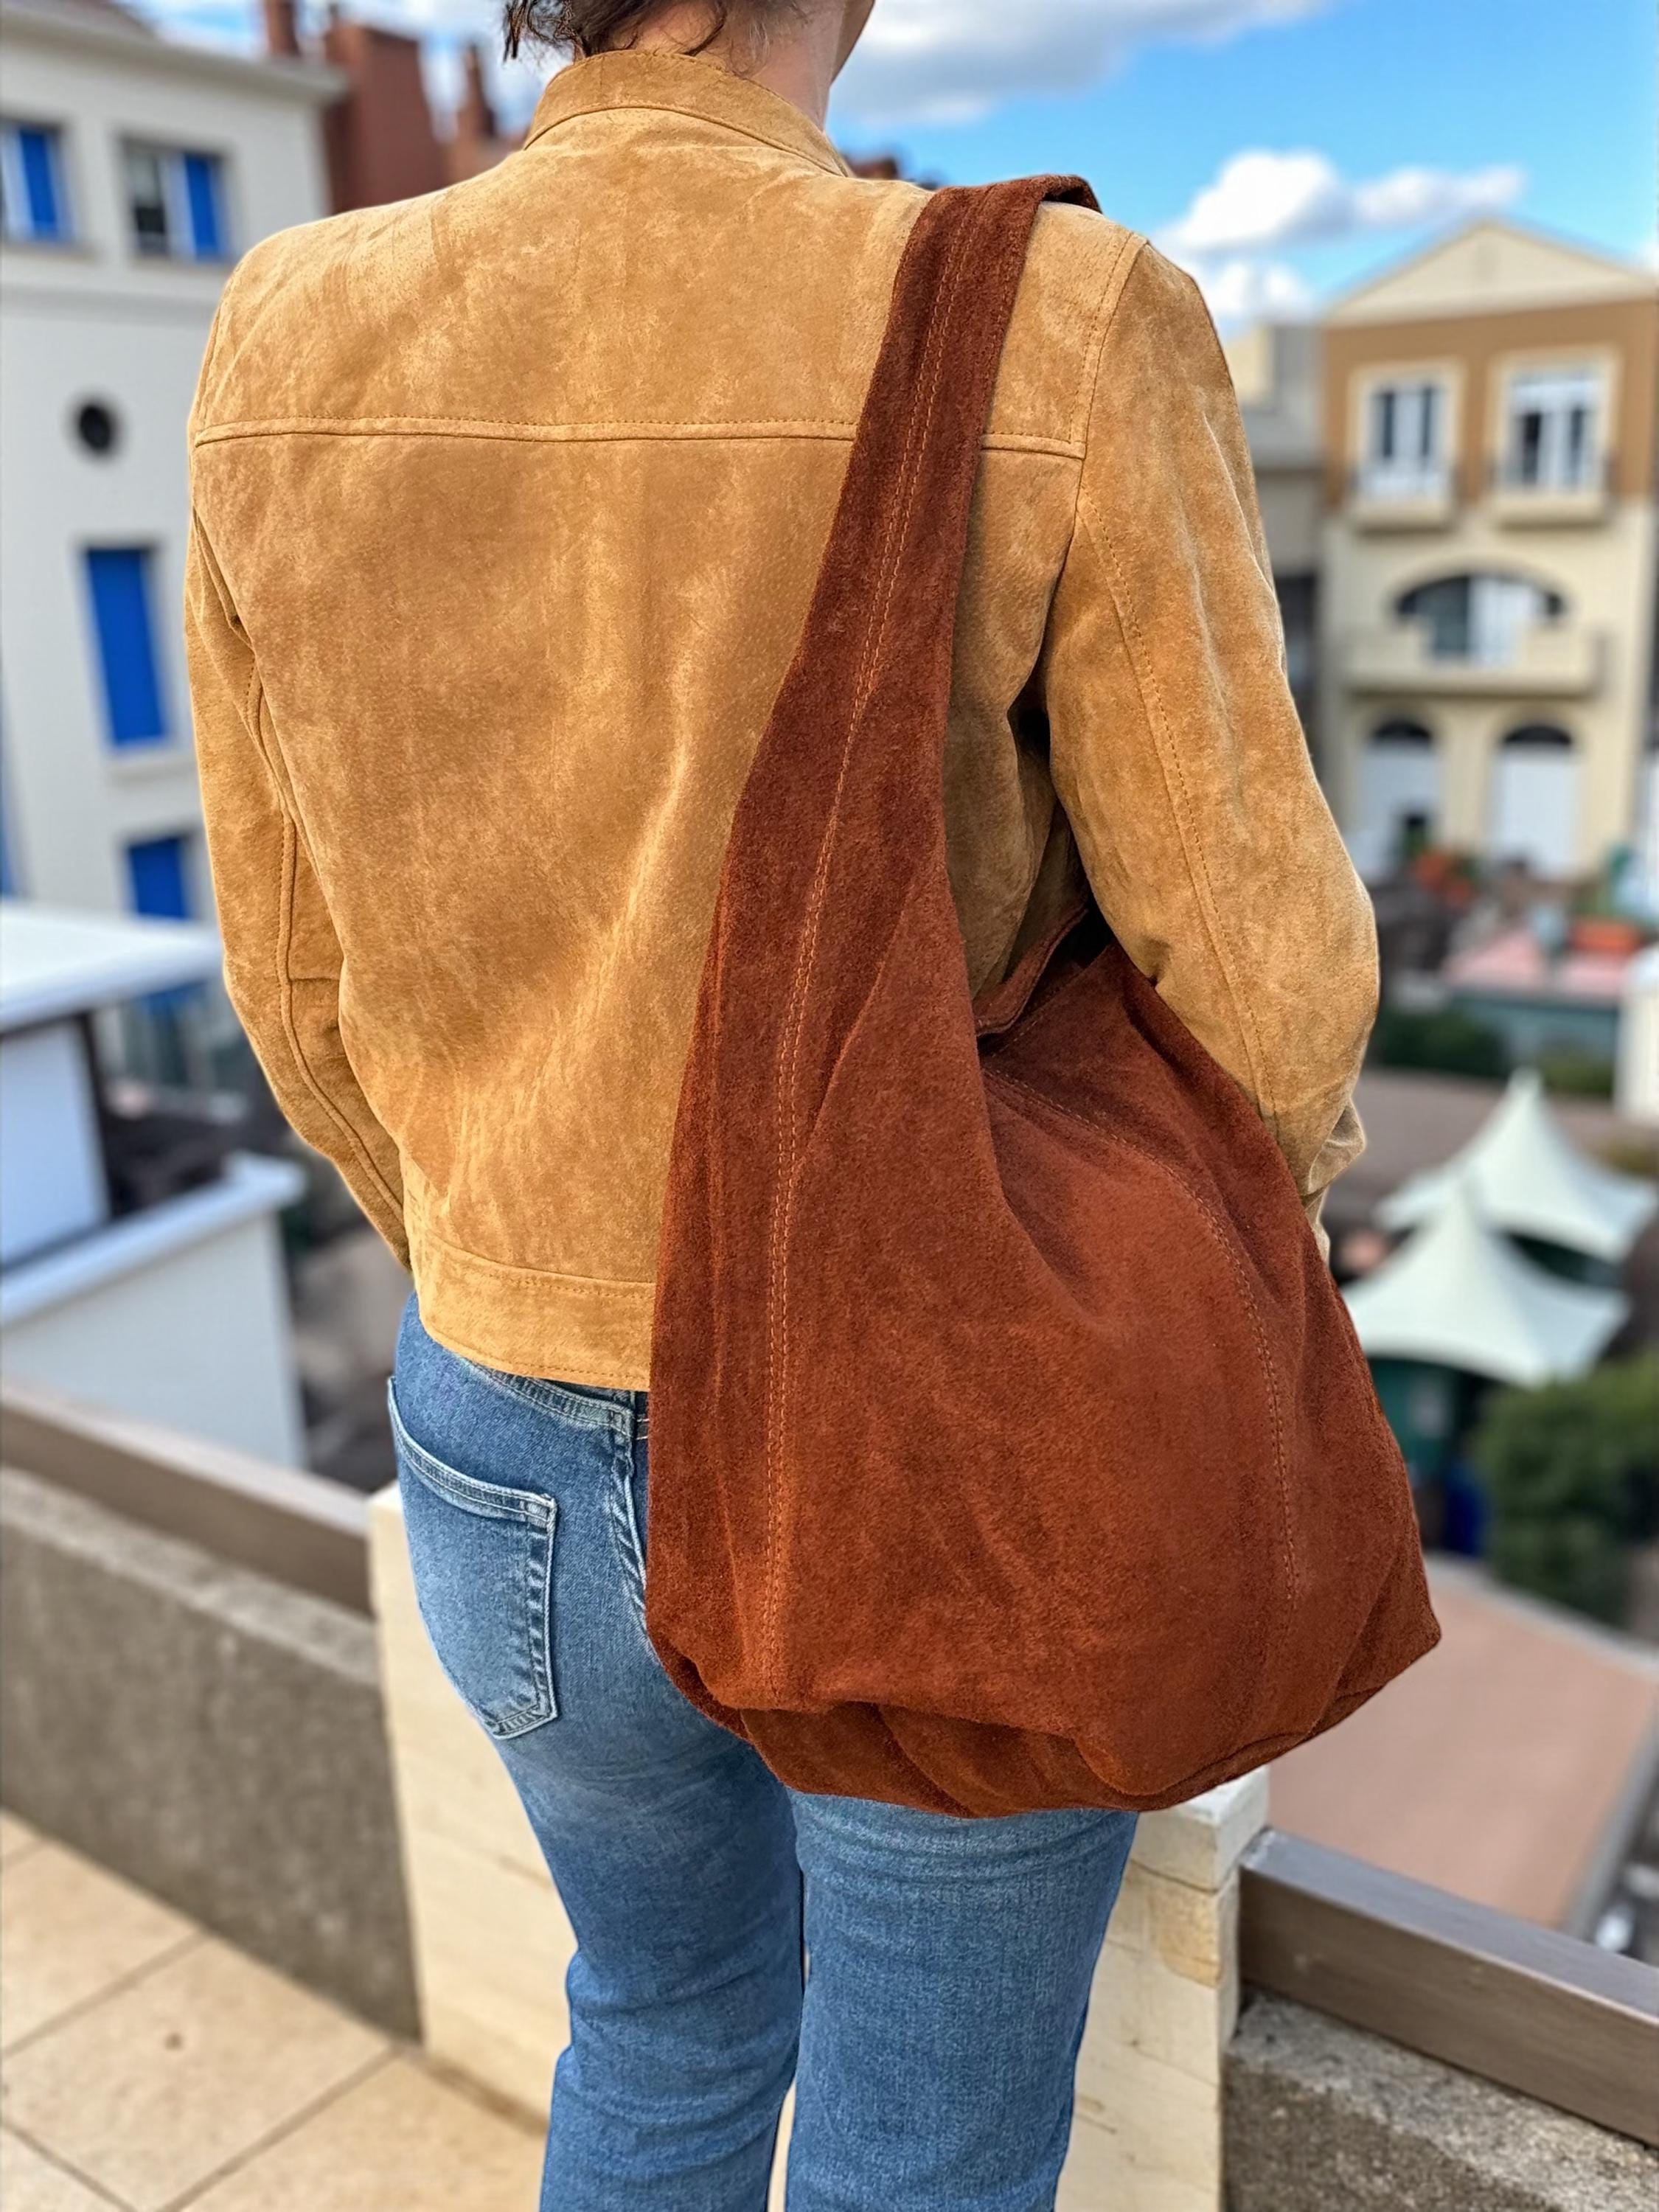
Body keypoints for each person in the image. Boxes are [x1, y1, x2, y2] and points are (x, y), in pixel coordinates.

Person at [185, 3, 1379, 2205]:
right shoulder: (1054, 316)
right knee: (922, 2158)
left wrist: (496, 1249)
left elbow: (291, 968)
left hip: (502, 1418)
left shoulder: (287, 327)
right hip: (923, 1411)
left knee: (654, 2035)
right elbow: (1258, 974)